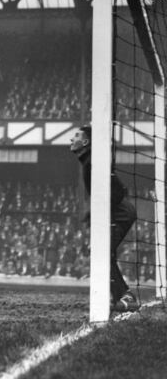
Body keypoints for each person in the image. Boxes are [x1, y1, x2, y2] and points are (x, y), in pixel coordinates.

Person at [70, 124, 139, 312]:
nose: (71, 139)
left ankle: (126, 296)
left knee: (102, 253)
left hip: (121, 214)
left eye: (76, 136)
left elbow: (118, 190)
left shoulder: (91, 162)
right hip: (118, 212)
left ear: (85, 142)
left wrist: (101, 212)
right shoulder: (88, 161)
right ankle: (120, 296)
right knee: (103, 253)